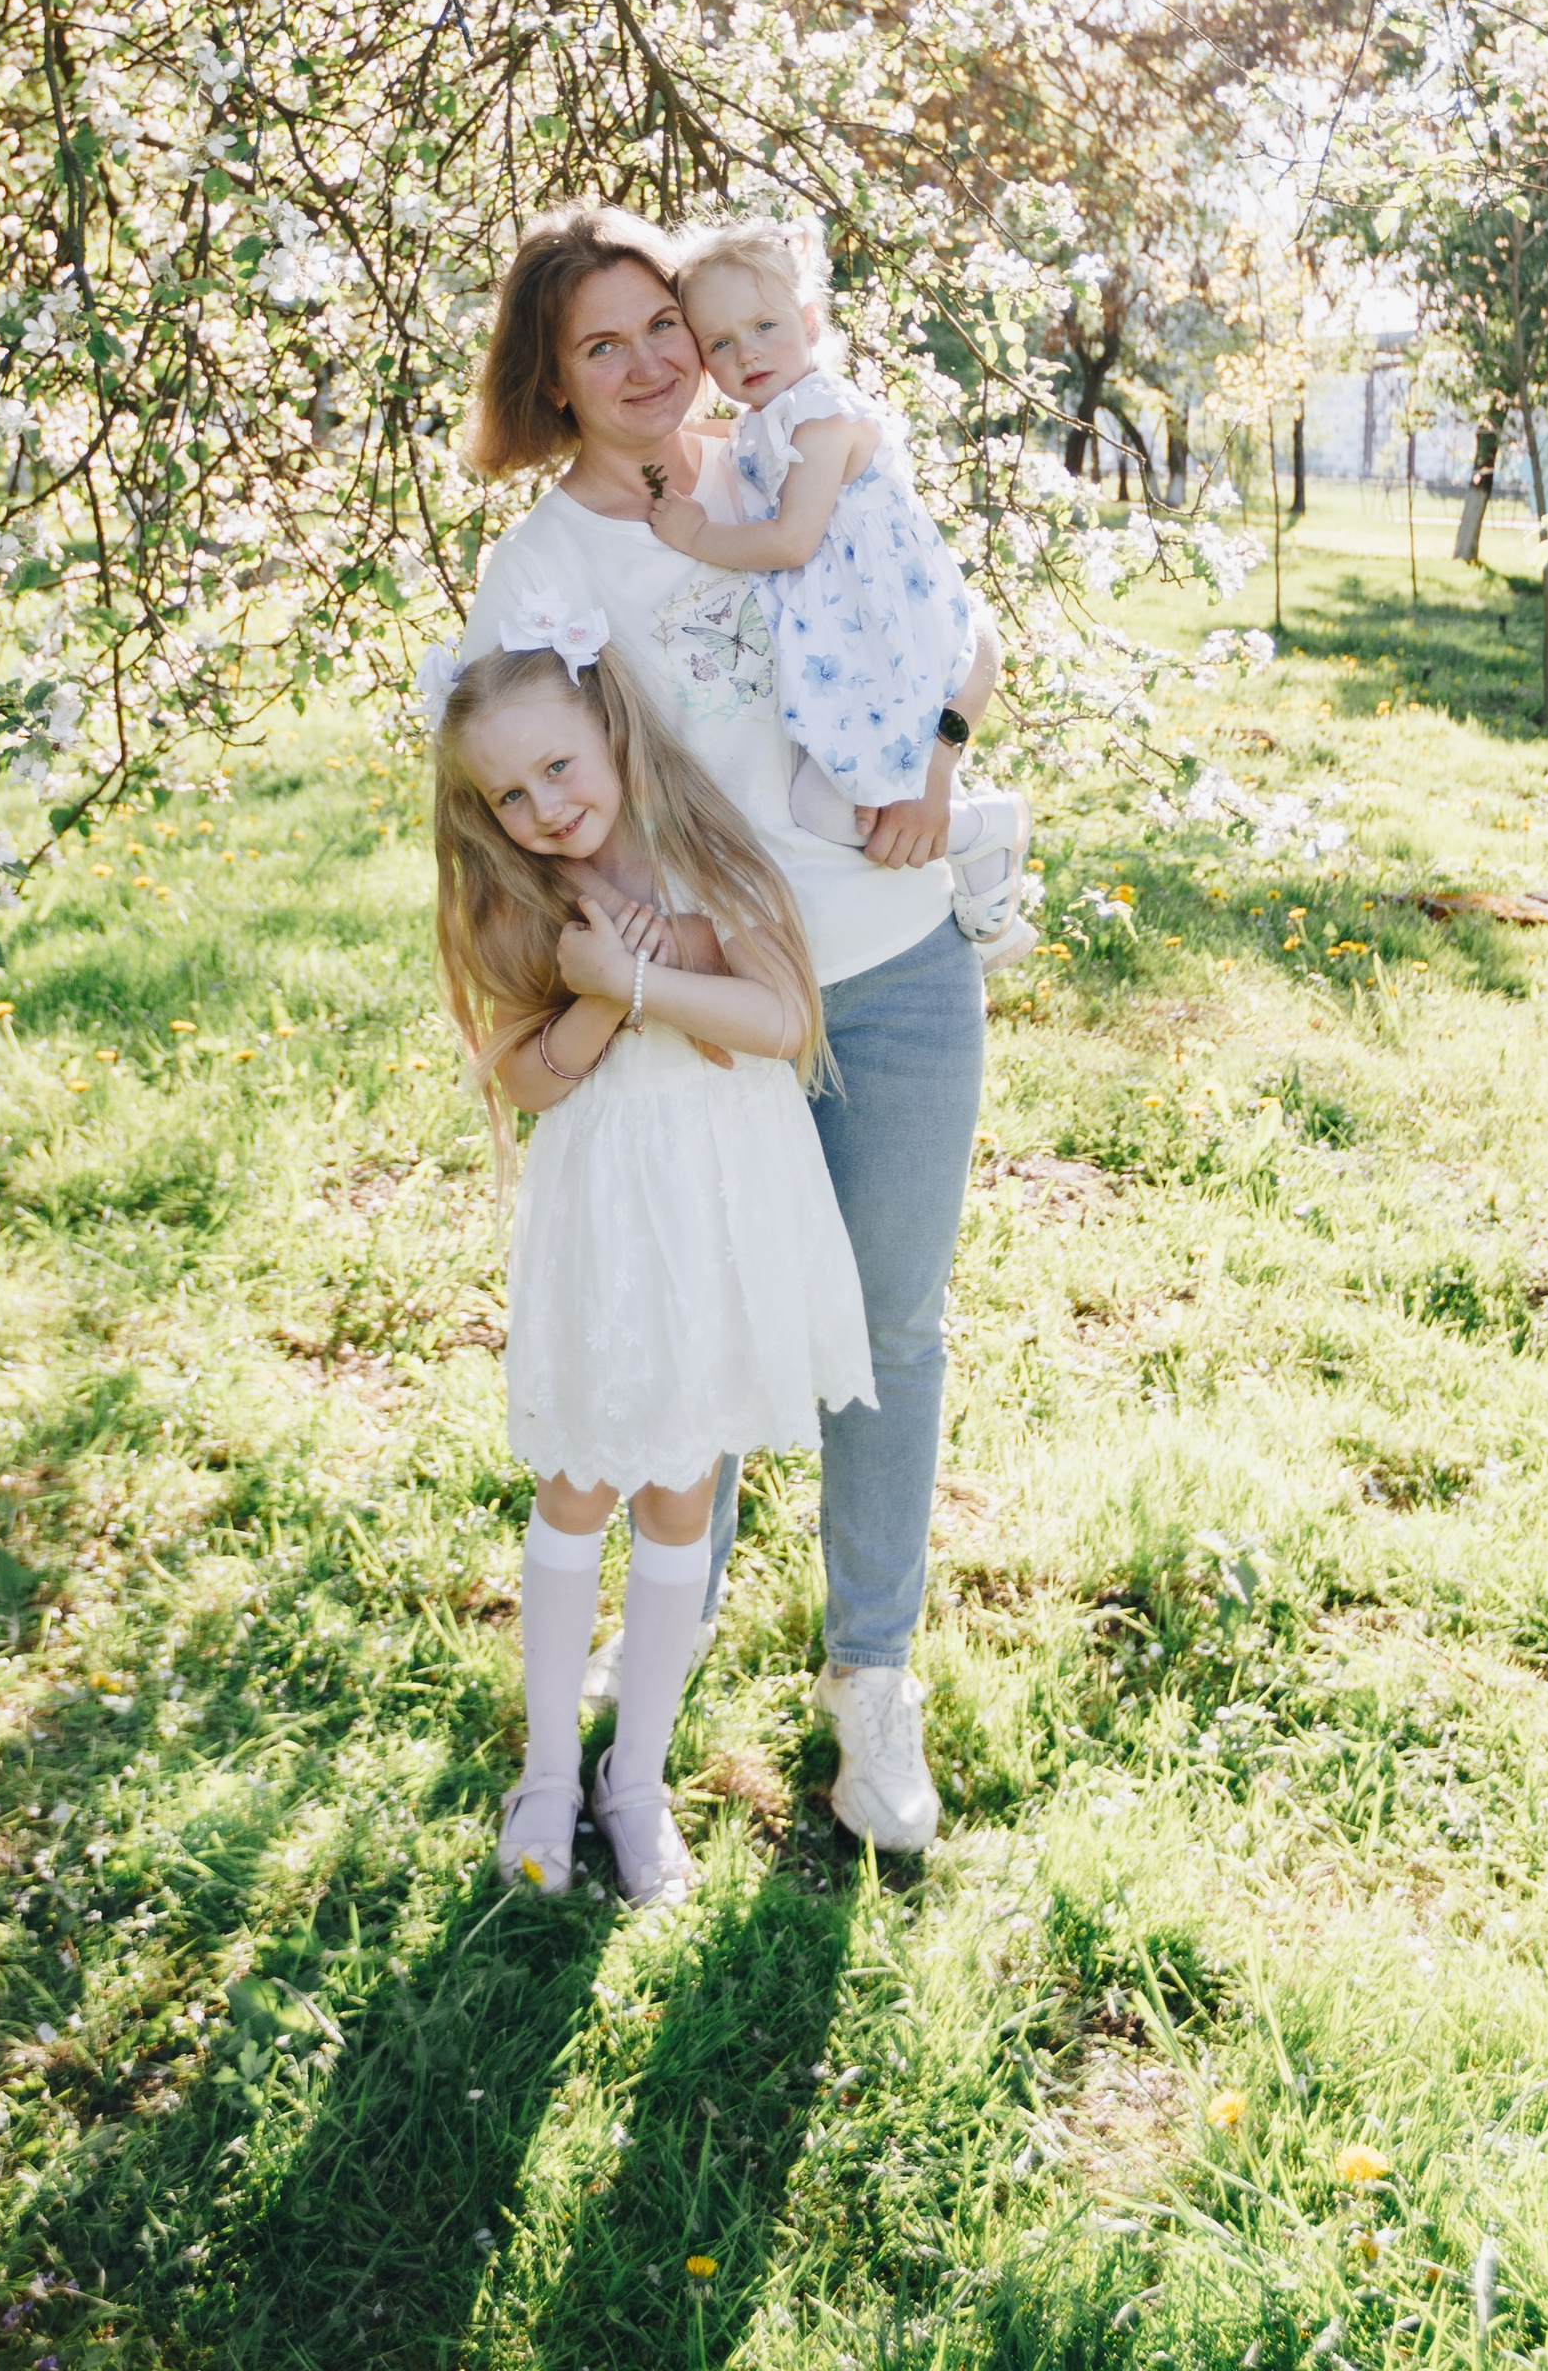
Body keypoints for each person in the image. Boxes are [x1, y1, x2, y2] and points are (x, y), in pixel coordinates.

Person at [453, 204, 996, 1849]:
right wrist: (642, 950)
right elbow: (520, 803)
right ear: (551, 381)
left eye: (657, 326)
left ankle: (872, 1693)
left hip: (891, 956)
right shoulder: (543, 569)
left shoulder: (789, 446)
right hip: (710, 997)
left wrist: (945, 755)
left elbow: (953, 609)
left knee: (889, 1334)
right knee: (720, 1318)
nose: (646, 365)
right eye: (597, 345)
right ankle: (657, 1659)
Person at [430, 612, 872, 1910]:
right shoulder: (516, 895)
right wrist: (585, 995)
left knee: (681, 1490)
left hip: (723, 1204)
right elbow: (530, 1083)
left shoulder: (699, 850)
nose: (542, 806)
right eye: (508, 794)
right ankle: (548, 1774)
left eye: (559, 768)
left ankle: (637, 1781)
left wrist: (637, 980)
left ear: (609, 731)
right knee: (578, 1482)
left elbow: (783, 1017)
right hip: (606, 1210)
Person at [648, 215, 1033, 965]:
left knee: (831, 807)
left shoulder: (821, 413)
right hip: (853, 635)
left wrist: (698, 537)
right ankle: (978, 877)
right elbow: (740, 449)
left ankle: (982, 831)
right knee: (840, 803)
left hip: (888, 627)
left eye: (764, 325)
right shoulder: (767, 419)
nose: (745, 352)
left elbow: (792, 538)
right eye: (718, 343)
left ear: (811, 322)